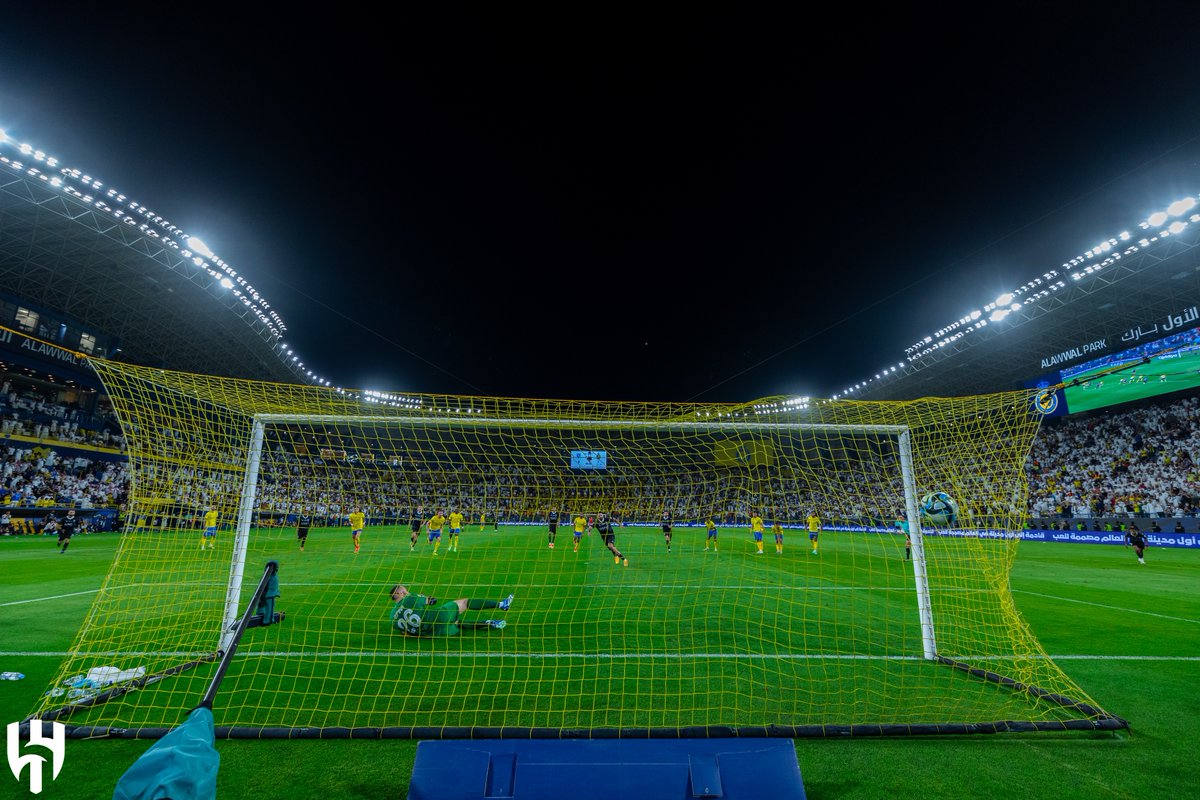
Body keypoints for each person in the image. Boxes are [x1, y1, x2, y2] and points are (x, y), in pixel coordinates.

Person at [388, 584, 513, 636]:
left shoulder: (392, 618)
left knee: (457, 623)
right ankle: (502, 604)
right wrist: (423, 597)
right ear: (401, 593)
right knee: (463, 602)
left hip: (437, 633)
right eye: (406, 590)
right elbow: (432, 601)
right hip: (440, 616)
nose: (407, 592)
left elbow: (406, 633)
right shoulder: (410, 598)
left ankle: (490, 623)